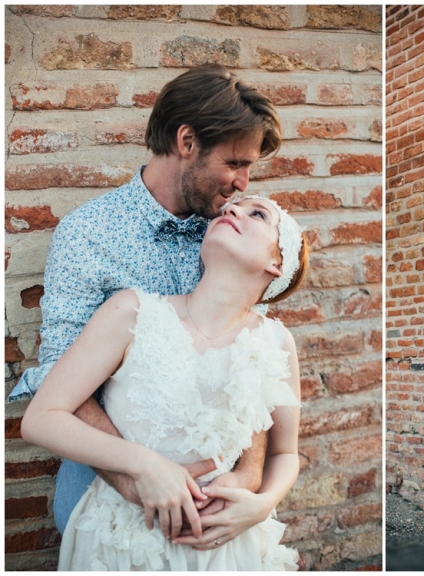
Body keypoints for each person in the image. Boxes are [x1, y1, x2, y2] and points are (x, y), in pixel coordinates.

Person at [8, 64, 282, 536]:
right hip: (105, 477)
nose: (243, 183)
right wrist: (135, 480)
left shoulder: (233, 233)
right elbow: (58, 371)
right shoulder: (89, 234)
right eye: (236, 163)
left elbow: (252, 361)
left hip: (214, 490)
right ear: (187, 142)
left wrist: (250, 475)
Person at [22, 195, 309, 569]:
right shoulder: (132, 312)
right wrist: (145, 465)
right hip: (126, 539)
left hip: (224, 545)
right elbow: (41, 418)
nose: (232, 210)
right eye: (230, 208)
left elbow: (284, 453)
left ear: (278, 263)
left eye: (257, 214)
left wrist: (262, 504)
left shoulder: (276, 342)